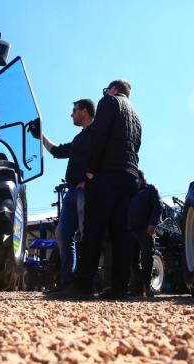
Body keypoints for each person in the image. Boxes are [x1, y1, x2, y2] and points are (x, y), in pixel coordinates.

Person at [57, 79, 142, 299]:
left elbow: (99, 136)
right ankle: (119, 286)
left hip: (108, 175)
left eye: (107, 89)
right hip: (130, 176)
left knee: (93, 230)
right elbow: (137, 145)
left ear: (114, 89)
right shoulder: (136, 116)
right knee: (120, 233)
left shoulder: (109, 101)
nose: (105, 92)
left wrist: (91, 170)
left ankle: (83, 285)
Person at [42, 99, 95, 289]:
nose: (71, 114)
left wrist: (89, 181)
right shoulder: (79, 138)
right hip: (71, 192)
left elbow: (105, 157)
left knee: (87, 234)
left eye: (74, 110)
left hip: (86, 192)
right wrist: (40, 135)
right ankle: (68, 282)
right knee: (63, 234)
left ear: (85, 111)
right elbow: (56, 151)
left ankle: (85, 283)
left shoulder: (97, 133)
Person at [128, 170, 163, 297]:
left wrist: (152, 224)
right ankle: (136, 288)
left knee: (147, 259)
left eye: (135, 179)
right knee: (133, 261)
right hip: (131, 231)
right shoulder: (131, 194)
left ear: (141, 178)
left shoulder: (151, 189)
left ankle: (147, 287)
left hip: (145, 230)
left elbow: (158, 206)